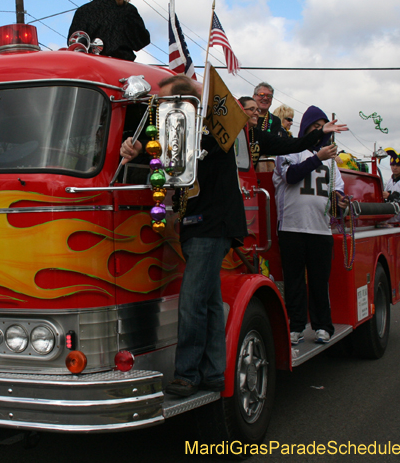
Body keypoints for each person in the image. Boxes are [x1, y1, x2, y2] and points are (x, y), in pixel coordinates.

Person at [121, 74, 244, 397]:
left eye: (169, 103)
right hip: (194, 224)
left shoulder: (213, 130)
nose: (163, 109)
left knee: (191, 301)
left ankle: (187, 374)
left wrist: (200, 94)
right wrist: (138, 151)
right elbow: (169, 161)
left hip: (213, 224)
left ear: (185, 105)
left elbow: (186, 156)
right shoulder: (177, 132)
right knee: (210, 302)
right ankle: (215, 372)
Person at [274, 105, 348, 345]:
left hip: (320, 228)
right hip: (292, 227)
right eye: (314, 128)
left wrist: (340, 201)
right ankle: (295, 326)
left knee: (319, 281)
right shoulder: (291, 150)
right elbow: (290, 176)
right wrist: (317, 157)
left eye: (322, 128)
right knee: (294, 281)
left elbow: (336, 193)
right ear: (305, 128)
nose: (319, 132)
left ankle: (322, 326)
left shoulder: (332, 161)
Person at [67, 0, 150, 61]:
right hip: (124, 67)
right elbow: (142, 41)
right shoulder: (128, 10)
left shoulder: (84, 11)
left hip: (92, 66)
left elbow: (74, 44)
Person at [241, 97, 348, 169]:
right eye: (251, 109)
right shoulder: (231, 132)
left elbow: (293, 144)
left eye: (257, 110)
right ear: (240, 110)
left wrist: (321, 131)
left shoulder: (260, 136)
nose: (256, 112)